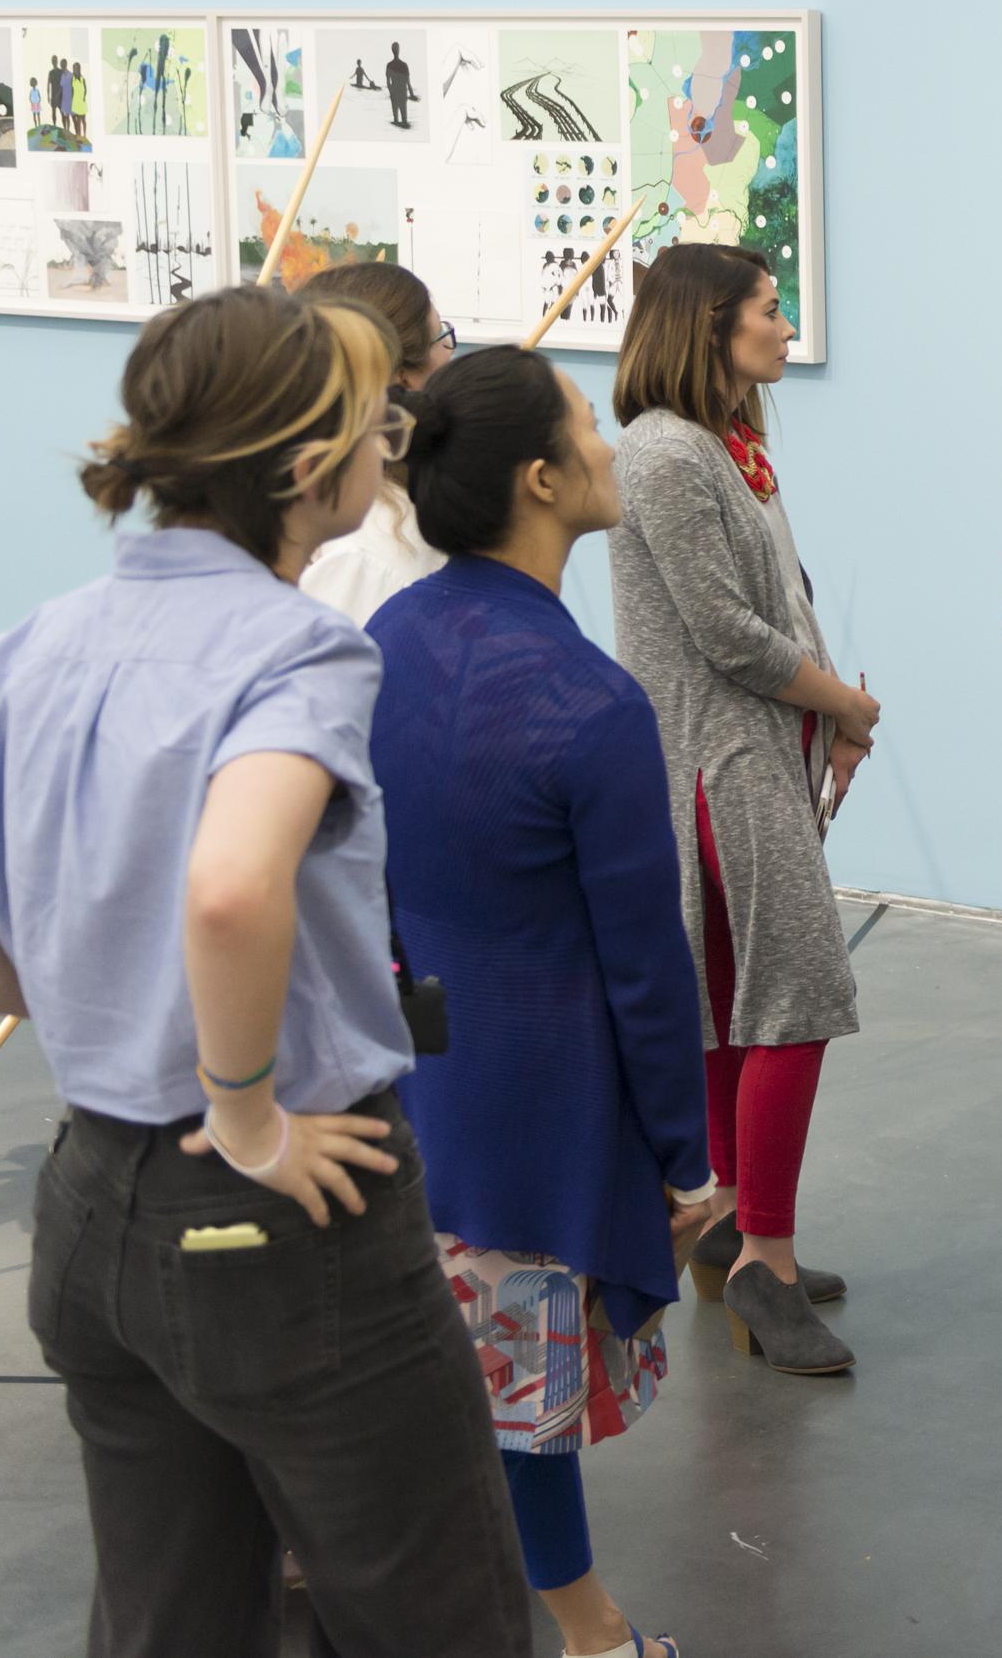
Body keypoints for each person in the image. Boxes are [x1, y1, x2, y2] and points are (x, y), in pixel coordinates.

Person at [0, 286, 533, 1657]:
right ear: (308, 466)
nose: (389, 450)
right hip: (286, 1223)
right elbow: (234, 884)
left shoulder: (28, 645)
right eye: (379, 428)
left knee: (169, 1623)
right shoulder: (299, 650)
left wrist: (123, 1003)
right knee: (447, 1619)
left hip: (94, 1210)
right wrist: (243, 1108)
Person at [368, 347, 707, 1658]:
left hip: (413, 1080)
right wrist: (685, 1155)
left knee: (453, 1391)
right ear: (542, 478)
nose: (612, 446)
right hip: (546, 1104)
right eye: (588, 426)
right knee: (517, 1401)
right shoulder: (592, 705)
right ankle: (591, 1635)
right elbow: (645, 967)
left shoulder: (383, 643)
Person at [610, 241, 880, 1375]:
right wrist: (849, 702)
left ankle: (729, 1212)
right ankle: (762, 1253)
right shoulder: (667, 454)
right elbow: (728, 633)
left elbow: (780, 601)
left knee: (736, 994)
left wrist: (832, 717)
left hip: (758, 747)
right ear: (710, 326)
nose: (784, 327)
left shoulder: (729, 443)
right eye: (770, 311)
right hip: (722, 758)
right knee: (795, 995)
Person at [297, 262, 456, 624]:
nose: (450, 351)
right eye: (440, 338)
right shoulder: (362, 554)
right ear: (402, 380)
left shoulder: (381, 532)